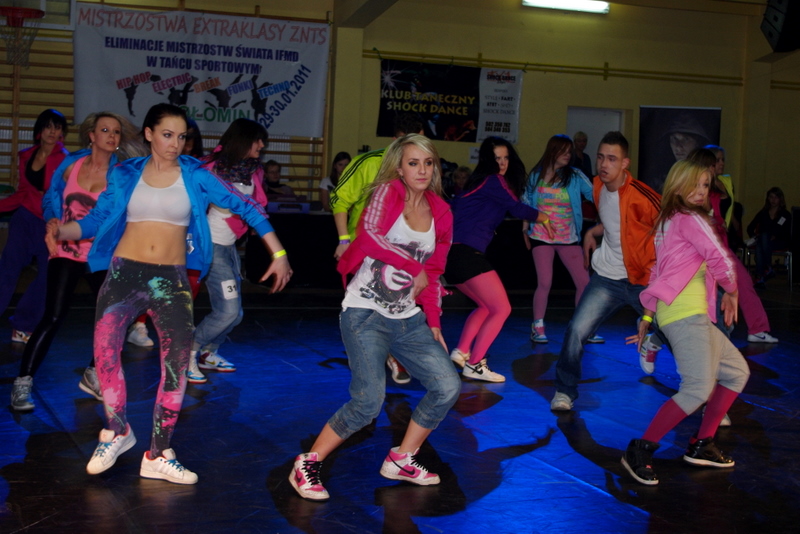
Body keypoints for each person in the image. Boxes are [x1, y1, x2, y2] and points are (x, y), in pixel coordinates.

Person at [47, 104, 292, 485]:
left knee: (176, 366)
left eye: (181, 137)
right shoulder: (125, 172)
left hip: (171, 280)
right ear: (148, 134)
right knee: (105, 355)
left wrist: (279, 253)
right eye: (167, 135)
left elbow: (246, 206)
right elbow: (96, 220)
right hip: (123, 275)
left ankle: (158, 453)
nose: (175, 144)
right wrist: (63, 231)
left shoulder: (196, 174)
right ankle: (117, 431)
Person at [288, 134, 460, 501]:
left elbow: (433, 272)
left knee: (447, 385)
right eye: (413, 163)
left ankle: (402, 458)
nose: (422, 170)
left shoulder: (442, 213)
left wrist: (433, 322)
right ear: (400, 167)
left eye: (428, 163)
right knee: (368, 402)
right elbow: (367, 236)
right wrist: (412, 266)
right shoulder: (387, 192)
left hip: (408, 318)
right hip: (365, 312)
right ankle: (306, 463)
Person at [621, 159, 749, 486]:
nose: (701, 191)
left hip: (686, 314)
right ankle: (640, 449)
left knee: (736, 372)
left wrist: (648, 315)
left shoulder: (670, 221)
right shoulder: (689, 218)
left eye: (706, 185)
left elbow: (658, 272)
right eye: (695, 184)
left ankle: (702, 444)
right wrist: (732, 291)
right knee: (697, 388)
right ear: (677, 185)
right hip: (684, 314)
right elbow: (719, 257)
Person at [10, 112, 143, 412]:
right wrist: (51, 219)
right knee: (53, 316)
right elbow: (49, 199)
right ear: (91, 136)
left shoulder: (121, 175)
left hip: (100, 255)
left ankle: (93, 373)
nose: (111, 135)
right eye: (105, 130)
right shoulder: (71, 164)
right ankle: (23, 382)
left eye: (116, 132)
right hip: (66, 249)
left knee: (118, 317)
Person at [551, 132, 662, 410]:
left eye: (612, 159)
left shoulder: (644, 197)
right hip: (607, 278)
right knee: (576, 330)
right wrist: (594, 231)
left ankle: (705, 397)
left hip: (642, 280)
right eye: (600, 157)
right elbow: (618, 222)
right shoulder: (598, 186)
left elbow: (672, 227)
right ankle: (564, 391)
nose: (603, 164)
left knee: (677, 334)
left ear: (625, 163)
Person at [446, 137, 551, 383]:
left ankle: (462, 351)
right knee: (502, 308)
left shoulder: (477, 184)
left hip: (453, 259)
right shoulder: (493, 180)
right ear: (487, 160)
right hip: (466, 256)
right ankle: (475, 364)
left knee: (486, 307)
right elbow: (517, 208)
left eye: (505, 158)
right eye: (497, 158)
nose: (502, 163)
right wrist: (544, 217)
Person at [329, 114, 425, 384]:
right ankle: (383, 358)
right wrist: (343, 240)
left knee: (396, 304)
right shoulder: (369, 163)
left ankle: (391, 353)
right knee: (370, 307)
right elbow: (340, 199)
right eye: (407, 141)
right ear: (395, 140)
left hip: (402, 250)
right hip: (366, 247)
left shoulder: (421, 167)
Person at [187, 118, 269, 384]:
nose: (262, 145)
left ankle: (208, 352)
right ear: (243, 140)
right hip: (211, 246)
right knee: (228, 312)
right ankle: (188, 352)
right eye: (257, 140)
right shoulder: (211, 167)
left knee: (235, 314)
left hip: (230, 246)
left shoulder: (253, 169)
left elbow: (256, 204)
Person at [688, 148, 778, 345]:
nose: (720, 164)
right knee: (692, 290)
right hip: (703, 247)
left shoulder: (725, 182)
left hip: (721, 245)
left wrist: (725, 225)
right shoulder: (697, 188)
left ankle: (757, 329)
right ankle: (657, 330)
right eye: (716, 162)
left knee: (743, 282)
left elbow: (724, 212)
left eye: (721, 161)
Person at [523, 134, 600, 345]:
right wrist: (525, 228)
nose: (567, 155)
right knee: (545, 282)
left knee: (584, 282)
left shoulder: (575, 176)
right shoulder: (536, 176)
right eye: (563, 151)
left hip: (568, 238)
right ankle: (538, 325)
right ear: (553, 151)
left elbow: (596, 194)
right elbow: (526, 202)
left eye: (569, 151)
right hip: (541, 236)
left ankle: (584, 327)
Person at [0, 109, 68, 344]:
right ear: (40, 130)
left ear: (62, 133)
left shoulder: (66, 160)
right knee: (7, 270)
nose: (52, 131)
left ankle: (23, 325)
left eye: (57, 127)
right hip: (24, 220)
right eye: (48, 126)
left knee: (47, 278)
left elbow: (67, 197)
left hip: (49, 226)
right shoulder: (27, 155)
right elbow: (22, 193)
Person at [747, 187, 792, 288]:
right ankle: (767, 269)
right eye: (771, 197)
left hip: (780, 242)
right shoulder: (763, 212)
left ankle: (760, 276)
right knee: (761, 242)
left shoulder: (785, 214)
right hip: (764, 241)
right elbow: (750, 227)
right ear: (768, 198)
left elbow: (787, 232)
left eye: (776, 197)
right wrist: (755, 237)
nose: (773, 200)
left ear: (780, 199)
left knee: (762, 243)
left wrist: (774, 236)